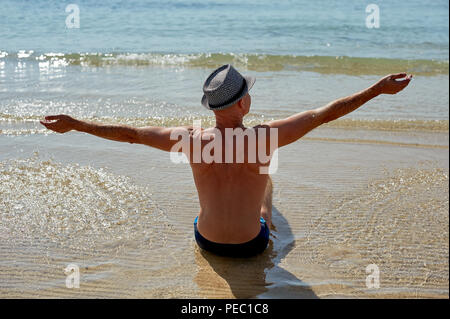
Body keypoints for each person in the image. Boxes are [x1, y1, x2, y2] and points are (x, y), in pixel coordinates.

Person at [40, 64, 412, 257]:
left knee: (208, 204)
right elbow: (323, 114)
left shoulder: (190, 139)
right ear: (242, 103)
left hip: (207, 242)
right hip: (252, 245)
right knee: (265, 183)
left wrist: (77, 125)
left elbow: (132, 134)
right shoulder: (263, 137)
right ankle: (266, 217)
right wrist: (378, 89)